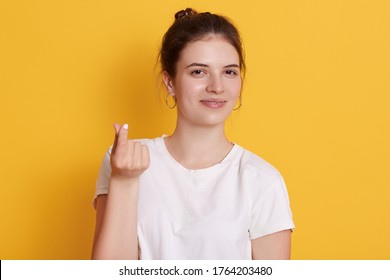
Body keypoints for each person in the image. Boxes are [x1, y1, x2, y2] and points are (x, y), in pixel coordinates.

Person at [91, 8, 294, 260]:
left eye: (229, 72)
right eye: (199, 71)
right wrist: (124, 181)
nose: (216, 87)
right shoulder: (125, 160)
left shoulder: (262, 180)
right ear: (169, 82)